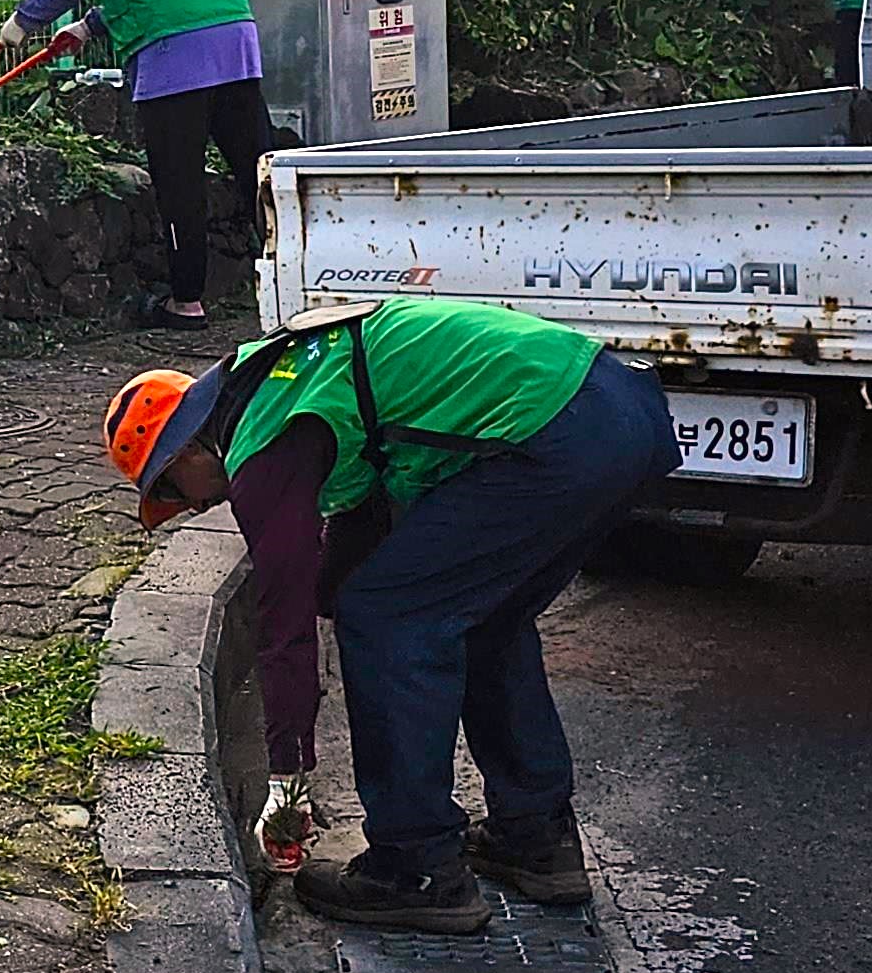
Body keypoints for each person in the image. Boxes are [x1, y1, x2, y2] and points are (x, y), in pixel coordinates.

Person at [102, 296, 678, 934]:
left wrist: (287, 776)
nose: (190, 509)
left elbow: (282, 624)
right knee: (484, 620)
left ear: (187, 453)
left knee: (386, 619)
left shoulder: (264, 440)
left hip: (556, 432)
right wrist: (328, 600)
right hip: (616, 413)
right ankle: (536, 837)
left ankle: (414, 866)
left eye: (176, 494)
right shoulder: (283, 379)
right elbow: (360, 534)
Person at [0, 0, 279, 330]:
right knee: (258, 173)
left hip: (176, 54)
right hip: (236, 42)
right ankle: (298, 282)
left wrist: (24, 19)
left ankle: (187, 302)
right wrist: (87, 28)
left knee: (179, 181)